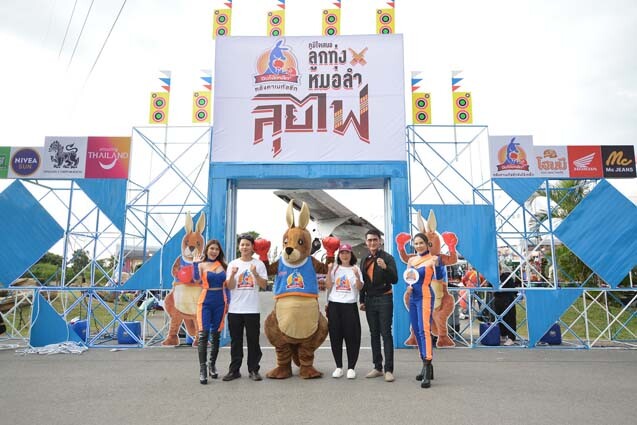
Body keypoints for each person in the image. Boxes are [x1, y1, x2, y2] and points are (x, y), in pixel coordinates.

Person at [223, 234, 268, 381]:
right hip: (235, 309)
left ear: (252, 247)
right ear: (239, 247)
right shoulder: (233, 264)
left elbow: (264, 285)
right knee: (236, 341)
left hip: (252, 309)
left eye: (247, 244)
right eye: (242, 244)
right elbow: (230, 286)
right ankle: (234, 370)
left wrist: (255, 274)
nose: (244, 247)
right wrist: (232, 275)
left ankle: (253, 369)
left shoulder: (259, 264)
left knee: (253, 341)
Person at [359, 229, 398, 382]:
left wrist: (385, 268)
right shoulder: (364, 259)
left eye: (375, 240)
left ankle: (389, 369)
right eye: (369, 240)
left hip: (384, 298)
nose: (372, 243)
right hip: (369, 299)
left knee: (386, 333)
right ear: (366, 242)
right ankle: (377, 367)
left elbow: (395, 279)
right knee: (373, 333)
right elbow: (363, 282)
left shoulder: (388, 258)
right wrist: (362, 300)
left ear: (380, 241)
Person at [325, 243, 363, 379]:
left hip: (349, 305)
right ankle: (338, 366)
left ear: (351, 254)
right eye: (342, 253)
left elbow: (359, 287)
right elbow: (328, 285)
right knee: (335, 336)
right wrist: (329, 271)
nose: (345, 255)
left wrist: (357, 275)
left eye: (347, 253)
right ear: (339, 255)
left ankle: (351, 367)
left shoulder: (355, 268)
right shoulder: (335, 268)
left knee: (352, 337)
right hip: (335, 305)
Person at [193, 239, 228, 384]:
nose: (214, 251)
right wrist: (195, 264)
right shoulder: (201, 264)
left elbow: (227, 286)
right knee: (203, 335)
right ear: (207, 250)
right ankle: (203, 369)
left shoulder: (224, 265)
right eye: (212, 248)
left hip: (220, 302)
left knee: (216, 335)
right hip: (205, 301)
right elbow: (196, 280)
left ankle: (212, 365)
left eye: (217, 249)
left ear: (219, 252)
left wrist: (228, 302)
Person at [405, 233, 437, 389]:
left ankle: (427, 364)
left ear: (427, 243)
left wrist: (439, 265)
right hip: (413, 297)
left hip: (425, 296)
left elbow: (440, 275)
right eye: (416, 243)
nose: (418, 246)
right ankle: (425, 364)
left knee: (424, 330)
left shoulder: (433, 259)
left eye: (421, 243)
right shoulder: (411, 260)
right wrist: (408, 288)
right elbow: (408, 278)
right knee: (416, 330)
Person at [494, 266, 521, 346]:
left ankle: (511, 338)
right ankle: (503, 335)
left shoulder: (507, 276)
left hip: (508, 300)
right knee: (500, 318)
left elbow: (510, 288)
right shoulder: (494, 278)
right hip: (498, 300)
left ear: (500, 269)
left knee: (510, 319)